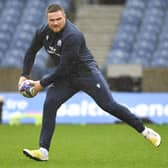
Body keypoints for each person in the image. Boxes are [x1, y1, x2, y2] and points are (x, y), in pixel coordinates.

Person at [18, 4, 161, 161]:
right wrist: (24, 75)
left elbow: (64, 68)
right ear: (47, 19)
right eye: (52, 20)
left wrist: (40, 84)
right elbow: (31, 52)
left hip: (86, 74)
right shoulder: (43, 32)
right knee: (50, 103)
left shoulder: (73, 35)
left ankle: (145, 131)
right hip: (66, 78)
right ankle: (43, 151)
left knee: (109, 105)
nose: (56, 23)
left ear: (65, 17)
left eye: (59, 19)